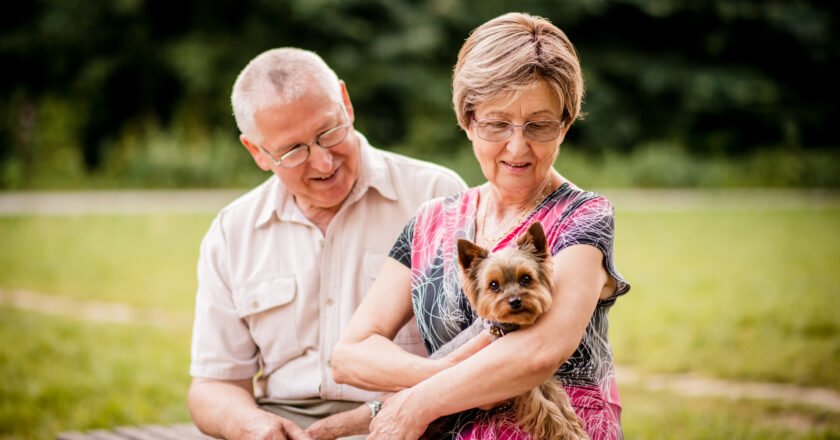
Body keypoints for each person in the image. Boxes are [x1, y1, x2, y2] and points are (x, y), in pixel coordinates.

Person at [331, 12, 630, 440]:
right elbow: (350, 355)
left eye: (540, 125)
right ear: (467, 120)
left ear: (565, 124)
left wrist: (418, 403)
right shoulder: (430, 222)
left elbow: (536, 354)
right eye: (496, 123)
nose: (517, 145)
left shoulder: (583, 217)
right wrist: (442, 373)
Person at [187, 48, 467, 440]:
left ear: (346, 104)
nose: (323, 162)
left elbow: (475, 355)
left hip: (411, 419)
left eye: (328, 133)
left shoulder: (435, 196)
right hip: (286, 422)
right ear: (257, 152)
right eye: (293, 150)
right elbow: (213, 386)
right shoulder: (233, 230)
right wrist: (253, 427)